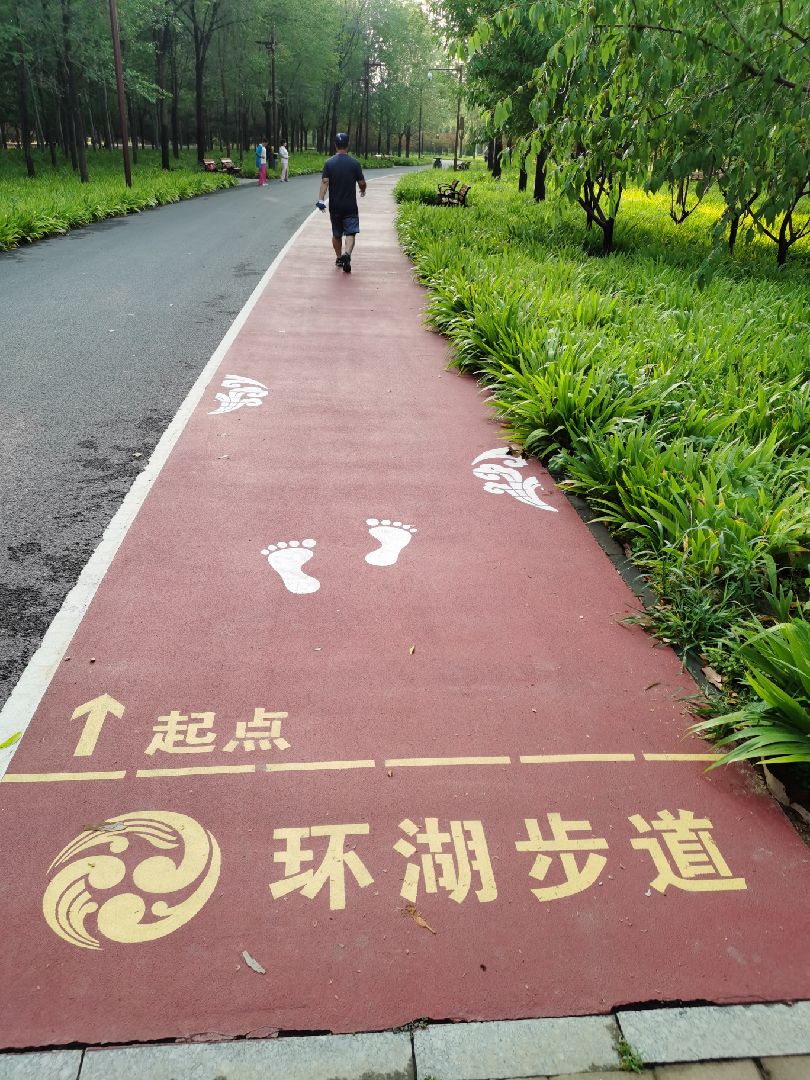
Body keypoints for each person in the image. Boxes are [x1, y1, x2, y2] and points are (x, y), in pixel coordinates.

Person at [315, 132, 366, 274]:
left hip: (335, 206)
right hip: (350, 206)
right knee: (351, 232)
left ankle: (339, 258)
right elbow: (361, 183)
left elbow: (325, 182)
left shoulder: (329, 163)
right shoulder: (354, 163)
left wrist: (320, 199)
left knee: (337, 234)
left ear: (335, 145)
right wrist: (363, 190)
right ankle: (347, 255)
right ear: (348, 144)